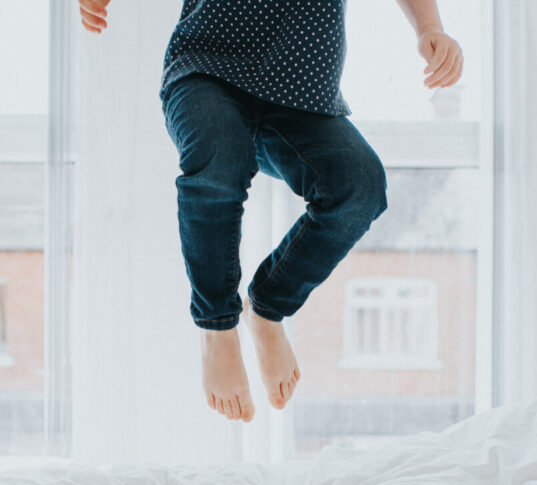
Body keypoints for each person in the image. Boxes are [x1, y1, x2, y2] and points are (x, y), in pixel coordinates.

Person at [78, 0, 463, 423]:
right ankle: (217, 326)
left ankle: (267, 306)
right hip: (207, 68)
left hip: (302, 93)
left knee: (359, 185)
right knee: (219, 162)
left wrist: (431, 27)